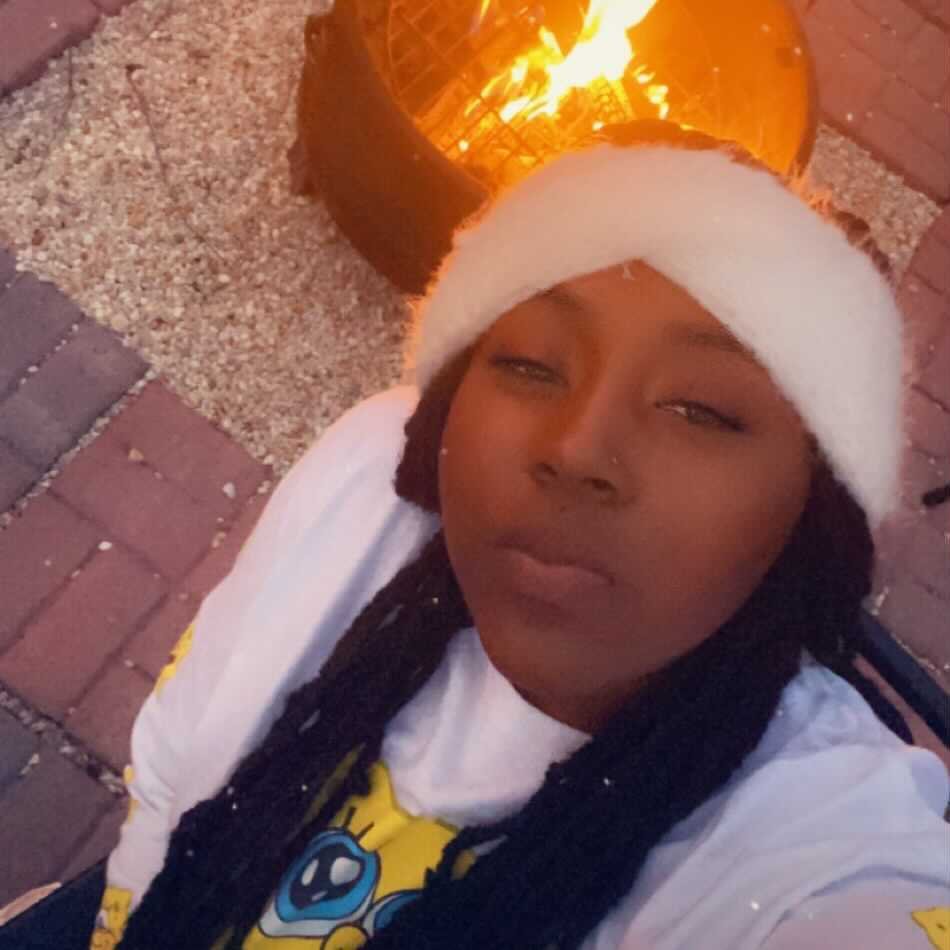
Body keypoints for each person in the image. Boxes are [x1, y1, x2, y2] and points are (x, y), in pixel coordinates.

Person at [80, 125, 947, 949]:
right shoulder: (371, 480)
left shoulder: (820, 849)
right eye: (530, 363)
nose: (576, 449)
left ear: (811, 517)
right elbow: (171, 770)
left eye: (701, 410)